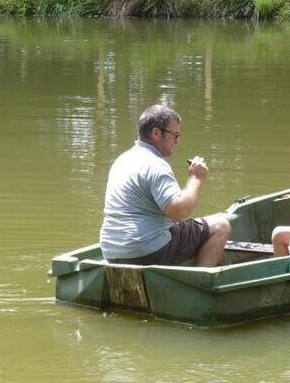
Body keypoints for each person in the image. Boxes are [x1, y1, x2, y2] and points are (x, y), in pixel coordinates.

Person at [99, 104, 231, 266]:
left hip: (111, 251)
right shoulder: (155, 165)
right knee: (221, 225)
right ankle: (200, 283)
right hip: (146, 251)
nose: (177, 140)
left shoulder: (122, 160)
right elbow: (180, 213)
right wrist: (196, 178)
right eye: (174, 135)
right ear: (156, 133)